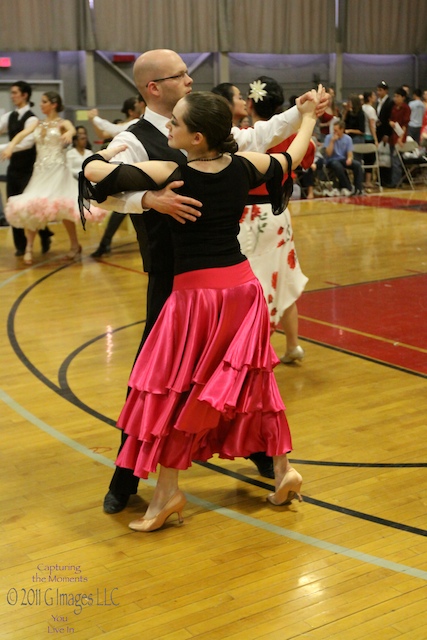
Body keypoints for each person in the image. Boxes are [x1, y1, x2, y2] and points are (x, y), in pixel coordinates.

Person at [97, 49, 329, 515]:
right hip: (171, 274)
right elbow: (106, 194)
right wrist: (148, 200)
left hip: (213, 278)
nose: (189, 78)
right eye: (179, 74)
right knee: (155, 378)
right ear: (153, 87)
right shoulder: (136, 138)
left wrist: (300, 112)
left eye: (188, 72)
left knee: (236, 370)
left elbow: (260, 135)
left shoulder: (207, 127)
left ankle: (261, 453)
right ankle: (126, 476)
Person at [233, 76, 313, 365]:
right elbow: (308, 157)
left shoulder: (244, 136)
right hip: (279, 214)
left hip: (249, 217)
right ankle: (292, 345)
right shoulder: (290, 136)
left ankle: (257, 353)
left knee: (257, 285)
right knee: (284, 278)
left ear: (252, 102)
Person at [2, 91, 106, 265]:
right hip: (40, 170)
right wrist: (11, 146)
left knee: (63, 207)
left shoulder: (63, 123)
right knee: (33, 206)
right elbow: (22, 134)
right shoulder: (37, 123)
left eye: (44, 102)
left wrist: (68, 134)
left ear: (54, 104)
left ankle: (74, 246)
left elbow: (72, 129)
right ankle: (29, 247)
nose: (40, 105)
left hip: (58, 169)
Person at [0, 81, 53, 256]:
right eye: (12, 92)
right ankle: (20, 246)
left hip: (29, 170)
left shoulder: (31, 119)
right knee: (13, 206)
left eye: (15, 92)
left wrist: (5, 148)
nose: (12, 95)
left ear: (25, 95)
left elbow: (26, 143)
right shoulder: (9, 116)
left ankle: (44, 233)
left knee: (30, 207)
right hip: (13, 169)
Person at [89, 96, 146, 258]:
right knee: (126, 208)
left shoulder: (138, 124)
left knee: (130, 209)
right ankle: (105, 243)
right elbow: (105, 132)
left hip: (137, 171)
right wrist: (94, 120)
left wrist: (95, 118)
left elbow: (109, 130)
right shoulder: (131, 125)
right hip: (128, 170)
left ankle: (105, 244)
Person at [324, 120, 364, 196]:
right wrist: (332, 141)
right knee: (337, 165)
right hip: (331, 160)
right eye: (333, 130)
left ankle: (358, 189)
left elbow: (350, 153)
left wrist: (349, 158)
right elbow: (328, 154)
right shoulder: (328, 137)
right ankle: (348, 187)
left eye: (336, 130)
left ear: (342, 130)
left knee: (357, 165)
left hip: (343, 159)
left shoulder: (348, 139)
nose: (334, 132)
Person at [362, 90, 379, 192]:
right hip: (369, 137)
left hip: (363, 137)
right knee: (370, 159)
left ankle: (364, 180)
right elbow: (371, 125)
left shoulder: (362, 108)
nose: (375, 97)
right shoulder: (371, 110)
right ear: (369, 98)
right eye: (373, 95)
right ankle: (367, 181)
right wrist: (375, 139)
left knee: (364, 159)